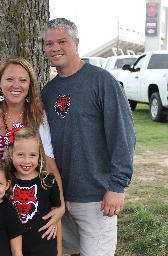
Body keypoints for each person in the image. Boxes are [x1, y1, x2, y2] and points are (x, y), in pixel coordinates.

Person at [41, 18, 136, 256]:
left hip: (96, 196)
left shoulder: (101, 81)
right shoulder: (48, 91)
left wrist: (117, 186)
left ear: (75, 42)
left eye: (62, 41)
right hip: (60, 196)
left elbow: (123, 135)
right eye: (49, 43)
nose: (55, 48)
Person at [0, 58, 65, 247]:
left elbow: (50, 166)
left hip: (30, 203)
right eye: (9, 79)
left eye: (23, 80)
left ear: (30, 84)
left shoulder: (39, 117)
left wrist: (61, 207)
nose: (16, 85)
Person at [4, 127, 62, 256]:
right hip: (14, 249)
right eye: (20, 155)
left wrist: (58, 251)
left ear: (39, 155)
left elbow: (56, 216)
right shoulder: (6, 182)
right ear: (11, 154)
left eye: (32, 155)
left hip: (44, 247)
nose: (26, 161)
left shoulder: (48, 181)